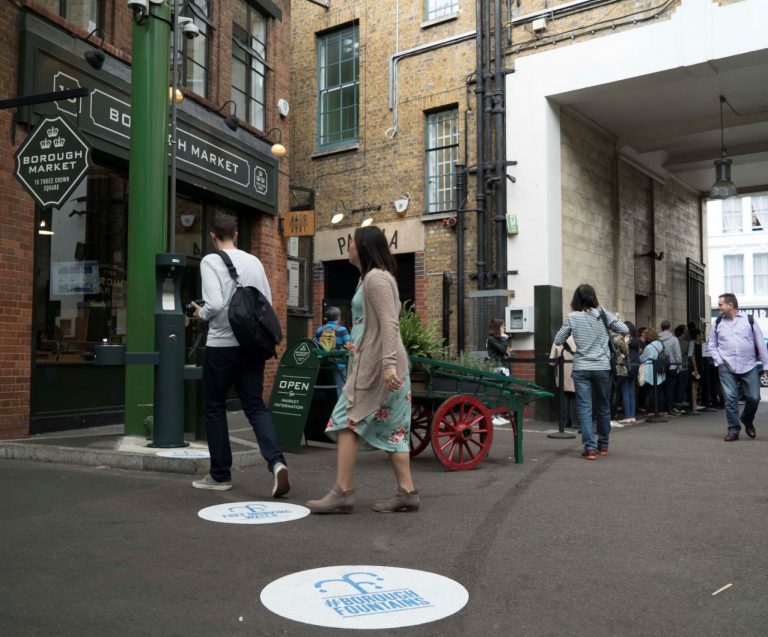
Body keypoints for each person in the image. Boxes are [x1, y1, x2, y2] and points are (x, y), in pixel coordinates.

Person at [306, 226, 417, 513]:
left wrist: (388, 366)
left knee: (345, 420)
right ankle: (407, 493)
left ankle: (342, 492)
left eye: (352, 243)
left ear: (364, 247)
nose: (348, 247)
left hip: (379, 370)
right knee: (395, 431)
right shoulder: (369, 278)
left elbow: (390, 323)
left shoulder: (376, 278)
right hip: (379, 367)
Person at [191, 212, 289, 496]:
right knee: (256, 407)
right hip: (251, 348)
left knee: (214, 408)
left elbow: (215, 304)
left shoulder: (210, 261)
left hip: (221, 347)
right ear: (235, 234)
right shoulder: (254, 261)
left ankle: (220, 475)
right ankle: (277, 462)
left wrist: (200, 313)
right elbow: (266, 304)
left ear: (212, 235)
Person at [554, 284, 628, 460]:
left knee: (585, 408)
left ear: (576, 299)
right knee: (603, 406)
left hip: (581, 367)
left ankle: (590, 449)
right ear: (593, 297)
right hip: (602, 367)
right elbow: (625, 330)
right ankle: (603, 445)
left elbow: (558, 339)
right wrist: (609, 328)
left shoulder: (572, 317)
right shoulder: (603, 313)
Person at [709, 293, 768, 441]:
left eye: (720, 304)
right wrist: (719, 360)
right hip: (726, 366)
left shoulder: (749, 320)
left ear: (730, 305)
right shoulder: (717, 322)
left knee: (754, 397)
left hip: (748, 365)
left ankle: (747, 419)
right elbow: (712, 344)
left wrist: (766, 364)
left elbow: (760, 344)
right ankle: (733, 430)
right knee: (730, 399)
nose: (718, 307)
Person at [314, 306, 350, 396]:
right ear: (338, 317)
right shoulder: (343, 330)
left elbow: (314, 344)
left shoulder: (320, 329)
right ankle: (339, 409)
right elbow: (348, 345)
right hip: (339, 364)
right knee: (341, 389)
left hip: (323, 363)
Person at [549, 336, 577, 430]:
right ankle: (575, 422)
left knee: (564, 396)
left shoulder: (558, 339)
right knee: (575, 396)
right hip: (576, 370)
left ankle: (565, 421)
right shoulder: (579, 337)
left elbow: (552, 361)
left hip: (562, 371)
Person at [639, 327, 666, 415]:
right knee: (660, 390)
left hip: (651, 370)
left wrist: (640, 353)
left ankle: (653, 410)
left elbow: (642, 358)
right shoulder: (660, 344)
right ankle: (661, 409)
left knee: (651, 390)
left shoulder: (649, 347)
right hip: (660, 368)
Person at [658, 320, 683, 415]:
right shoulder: (674, 339)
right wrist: (679, 366)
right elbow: (678, 354)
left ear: (661, 328)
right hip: (672, 367)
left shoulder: (658, 339)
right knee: (670, 388)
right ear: (669, 327)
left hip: (661, 366)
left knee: (662, 388)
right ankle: (669, 407)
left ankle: (662, 407)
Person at [618, 321, 640, 424]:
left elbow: (623, 351)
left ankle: (627, 416)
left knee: (625, 391)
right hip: (635, 366)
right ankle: (632, 416)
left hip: (627, 366)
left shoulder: (627, 339)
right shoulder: (636, 339)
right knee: (631, 391)